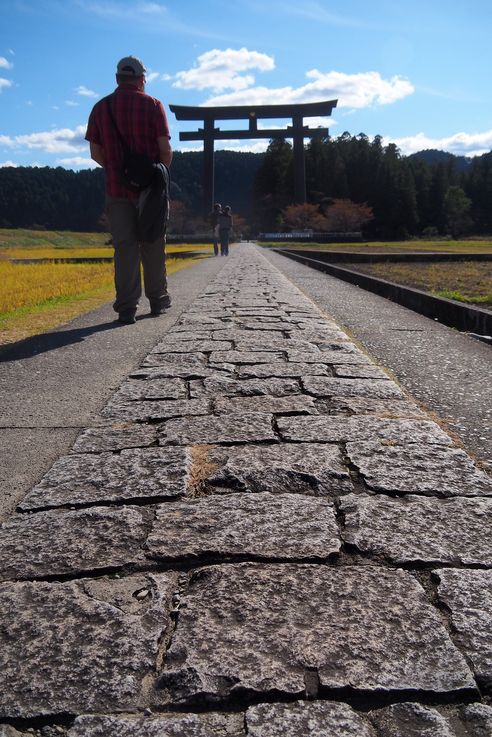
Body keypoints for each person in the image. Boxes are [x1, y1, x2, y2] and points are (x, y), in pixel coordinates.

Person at [85, 55, 172, 324]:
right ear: (141, 79)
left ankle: (126, 308)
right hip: (150, 191)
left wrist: (117, 170)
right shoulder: (153, 105)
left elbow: (95, 152)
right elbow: (165, 150)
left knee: (125, 247)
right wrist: (155, 177)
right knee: (153, 243)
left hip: (116, 188)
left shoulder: (101, 108)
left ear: (117, 78)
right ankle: (157, 300)